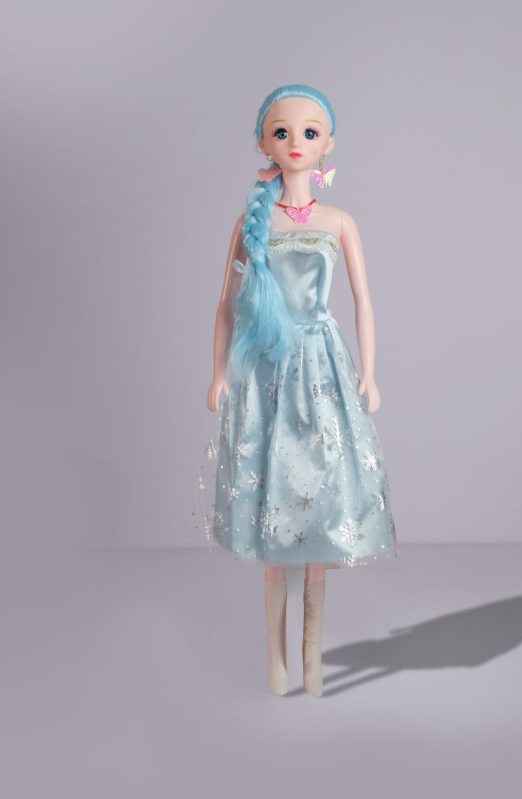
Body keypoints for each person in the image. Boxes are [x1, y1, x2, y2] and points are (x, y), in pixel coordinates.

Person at [190, 84, 398, 697]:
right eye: (282, 132)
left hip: (322, 366)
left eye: (310, 132)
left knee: (321, 497)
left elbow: (363, 301)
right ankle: (277, 661)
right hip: (267, 367)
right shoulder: (252, 223)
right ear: (264, 143)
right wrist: (219, 372)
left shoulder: (339, 222)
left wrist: (369, 372)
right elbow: (225, 304)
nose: (296, 142)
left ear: (328, 144)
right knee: (273, 507)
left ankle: (313, 656)